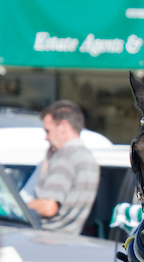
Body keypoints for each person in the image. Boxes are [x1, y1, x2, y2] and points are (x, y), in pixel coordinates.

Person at [26, 100, 99, 236]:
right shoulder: (88, 157)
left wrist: (16, 207)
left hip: (46, 239)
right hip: (68, 239)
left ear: (63, 126)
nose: (46, 138)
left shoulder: (65, 155)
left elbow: (48, 206)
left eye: (48, 131)